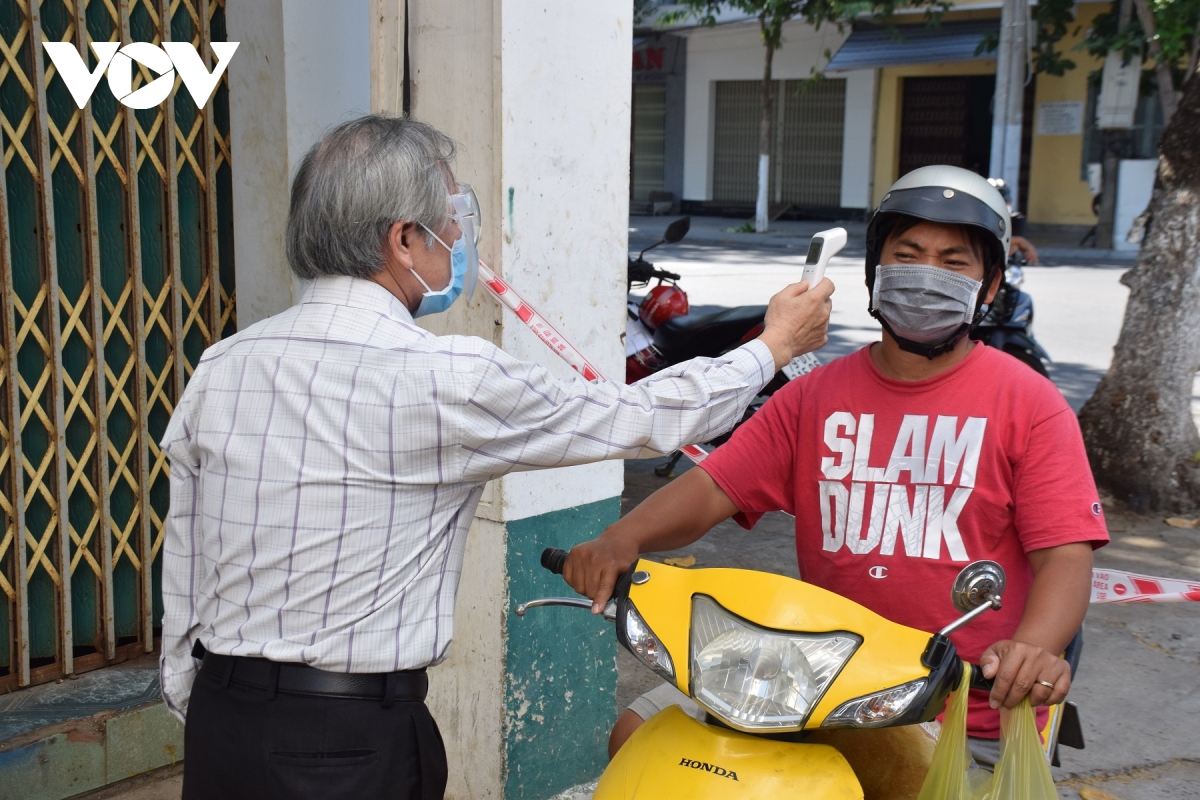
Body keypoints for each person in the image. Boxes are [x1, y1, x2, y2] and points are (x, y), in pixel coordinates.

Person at [158, 115, 834, 799]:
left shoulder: (224, 365)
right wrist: (770, 349)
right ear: (401, 238)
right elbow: (637, 420)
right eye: (449, 219)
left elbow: (184, 558)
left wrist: (203, 708)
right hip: (349, 742)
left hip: (223, 726)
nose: (457, 240)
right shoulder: (444, 377)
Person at [563, 165, 1108, 788]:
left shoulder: (1030, 405)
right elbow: (718, 486)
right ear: (876, 270)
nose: (928, 273)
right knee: (637, 737)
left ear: (987, 290)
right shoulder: (814, 396)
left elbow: (1065, 554)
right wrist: (620, 539)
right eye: (909, 254)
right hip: (819, 680)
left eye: (953, 261)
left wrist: (1034, 647)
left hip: (964, 704)